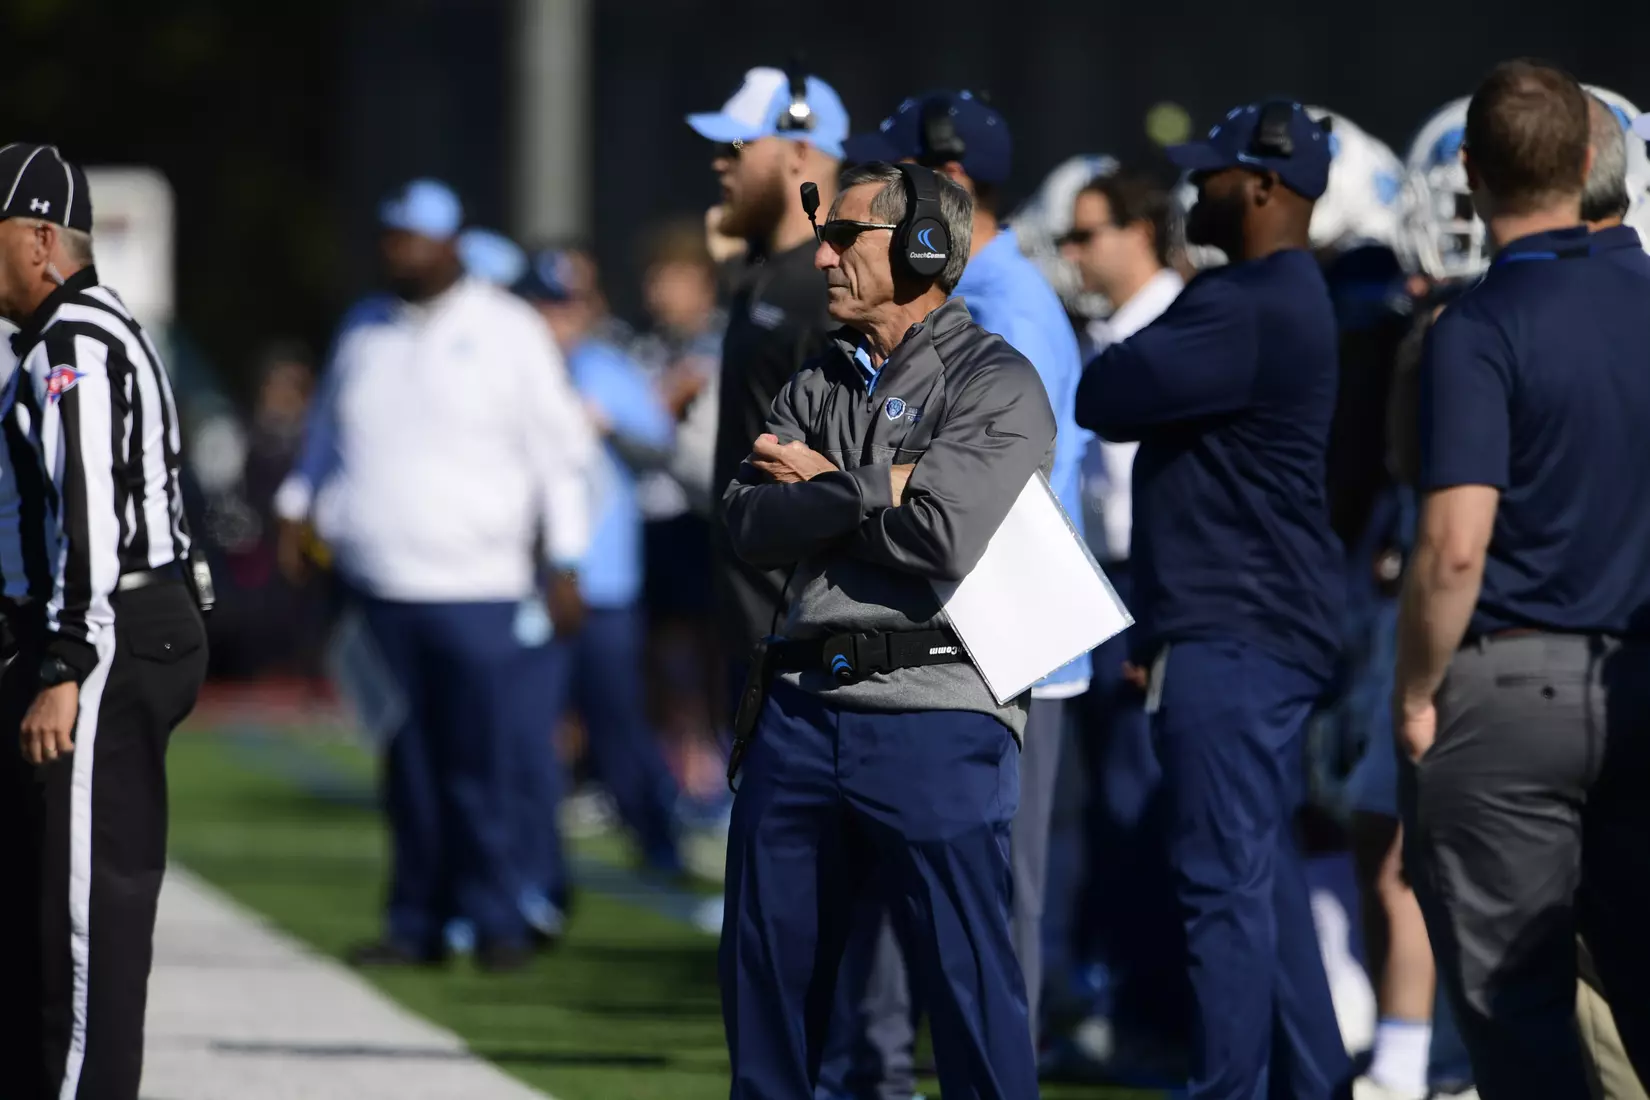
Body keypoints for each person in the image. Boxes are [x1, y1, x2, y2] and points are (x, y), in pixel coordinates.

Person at [719, 160, 1048, 1100]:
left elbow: (942, 533)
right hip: (799, 709)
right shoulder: (819, 372)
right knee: (767, 995)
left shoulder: (997, 379)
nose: (819, 254)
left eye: (843, 237)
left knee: (970, 995)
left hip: (937, 715)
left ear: (925, 250)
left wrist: (821, 486)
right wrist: (877, 484)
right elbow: (746, 523)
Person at [1076, 102, 1350, 1099]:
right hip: (1247, 625)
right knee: (1258, 880)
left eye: (1215, 175)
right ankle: (1314, 1083)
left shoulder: (1246, 300)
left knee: (1222, 889)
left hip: (1235, 630)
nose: (1195, 190)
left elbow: (1102, 391)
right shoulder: (1272, 295)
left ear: (1267, 187)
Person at [816, 89, 1086, 1094]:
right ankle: (879, 1069)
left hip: (999, 631)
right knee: (912, 884)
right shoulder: (985, 294)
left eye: (892, 186)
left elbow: (972, 494)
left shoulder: (1005, 308)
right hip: (957, 624)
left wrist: (842, 486)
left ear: (950, 189)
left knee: (986, 901)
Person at [1395, 59, 1650, 1100]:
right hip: (1637, 678)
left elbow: (1458, 544)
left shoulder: (1481, 326)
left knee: (1522, 1016)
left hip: (1509, 692)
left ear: (1469, 172)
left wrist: (1415, 689)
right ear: (1592, 161)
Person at [272, 178, 596, 971]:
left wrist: (565, 560)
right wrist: (295, 506)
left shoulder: (507, 329)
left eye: (414, 237)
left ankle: (497, 918)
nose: (398, 251)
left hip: (478, 586)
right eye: (390, 235)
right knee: (405, 765)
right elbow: (325, 437)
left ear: (453, 243)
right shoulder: (364, 328)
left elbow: (561, 453)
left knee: (478, 766)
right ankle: (415, 919)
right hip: (379, 587)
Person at [0, 143, 210, 1100]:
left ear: (41, 238)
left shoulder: (73, 342)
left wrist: (67, 662)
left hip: (106, 628)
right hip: (96, 625)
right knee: (44, 906)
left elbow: (88, 513)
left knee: (83, 917)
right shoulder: (67, 335)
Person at [1054, 167, 1190, 1072]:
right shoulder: (1109, 328)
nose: (1073, 253)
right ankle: (1117, 1000)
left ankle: (1157, 1016)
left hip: (1153, 581)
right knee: (1101, 806)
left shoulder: (1183, 326)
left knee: (1145, 804)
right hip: (1103, 577)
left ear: (1140, 230)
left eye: (1088, 233)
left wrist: (1164, 614)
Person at [513, 246, 684, 883]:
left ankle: (656, 836)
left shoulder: (607, 369)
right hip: (525, 580)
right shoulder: (511, 370)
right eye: (544, 304)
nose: (557, 318)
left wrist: (608, 427)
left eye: (567, 304)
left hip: (604, 580)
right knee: (530, 727)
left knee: (618, 722)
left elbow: (666, 454)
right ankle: (534, 860)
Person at [685, 65, 847, 675]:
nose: (720, 164)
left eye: (738, 147)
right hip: (751, 623)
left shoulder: (832, 285)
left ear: (799, 151)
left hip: (801, 635)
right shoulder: (770, 275)